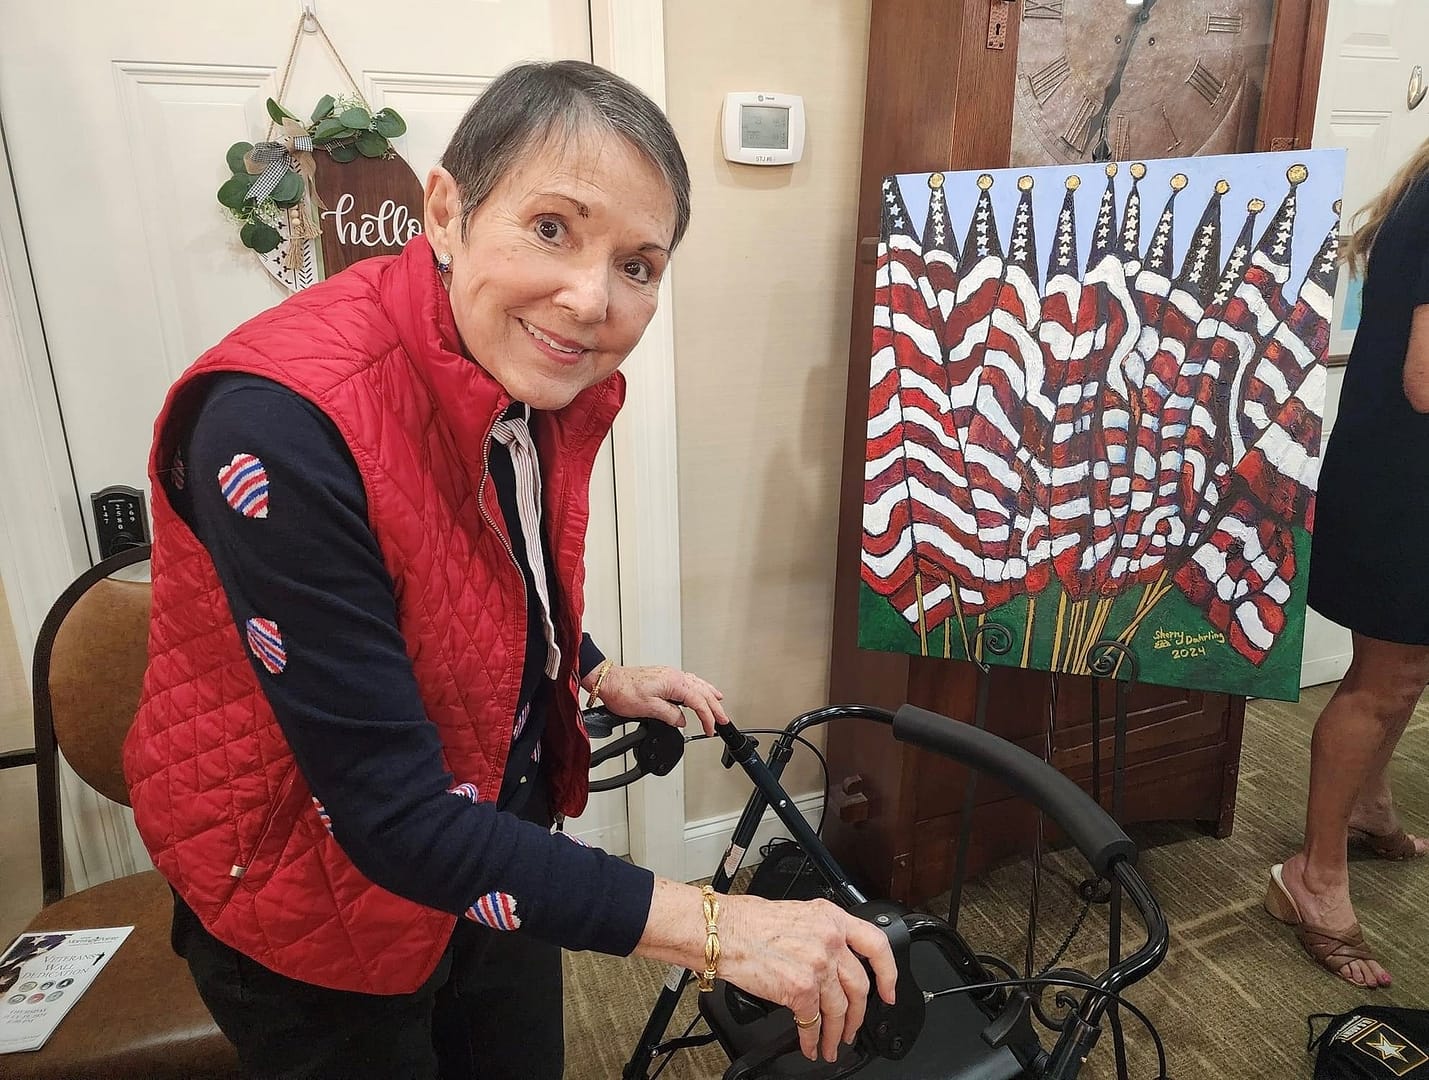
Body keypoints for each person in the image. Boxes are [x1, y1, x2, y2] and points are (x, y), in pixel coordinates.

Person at [123, 60, 896, 1079]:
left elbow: (473, 563)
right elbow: (394, 816)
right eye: (550, 228)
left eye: (638, 265)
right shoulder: (279, 425)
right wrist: (722, 928)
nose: (590, 299)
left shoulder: (512, 366)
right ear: (447, 210)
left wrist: (591, 667)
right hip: (315, 894)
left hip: (490, 841)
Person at [1266, 137, 1429, 990]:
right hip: (1404, 486)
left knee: (1406, 672)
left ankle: (1367, 808)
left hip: (1404, 476)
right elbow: (1425, 381)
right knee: (1381, 681)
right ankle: (1313, 876)